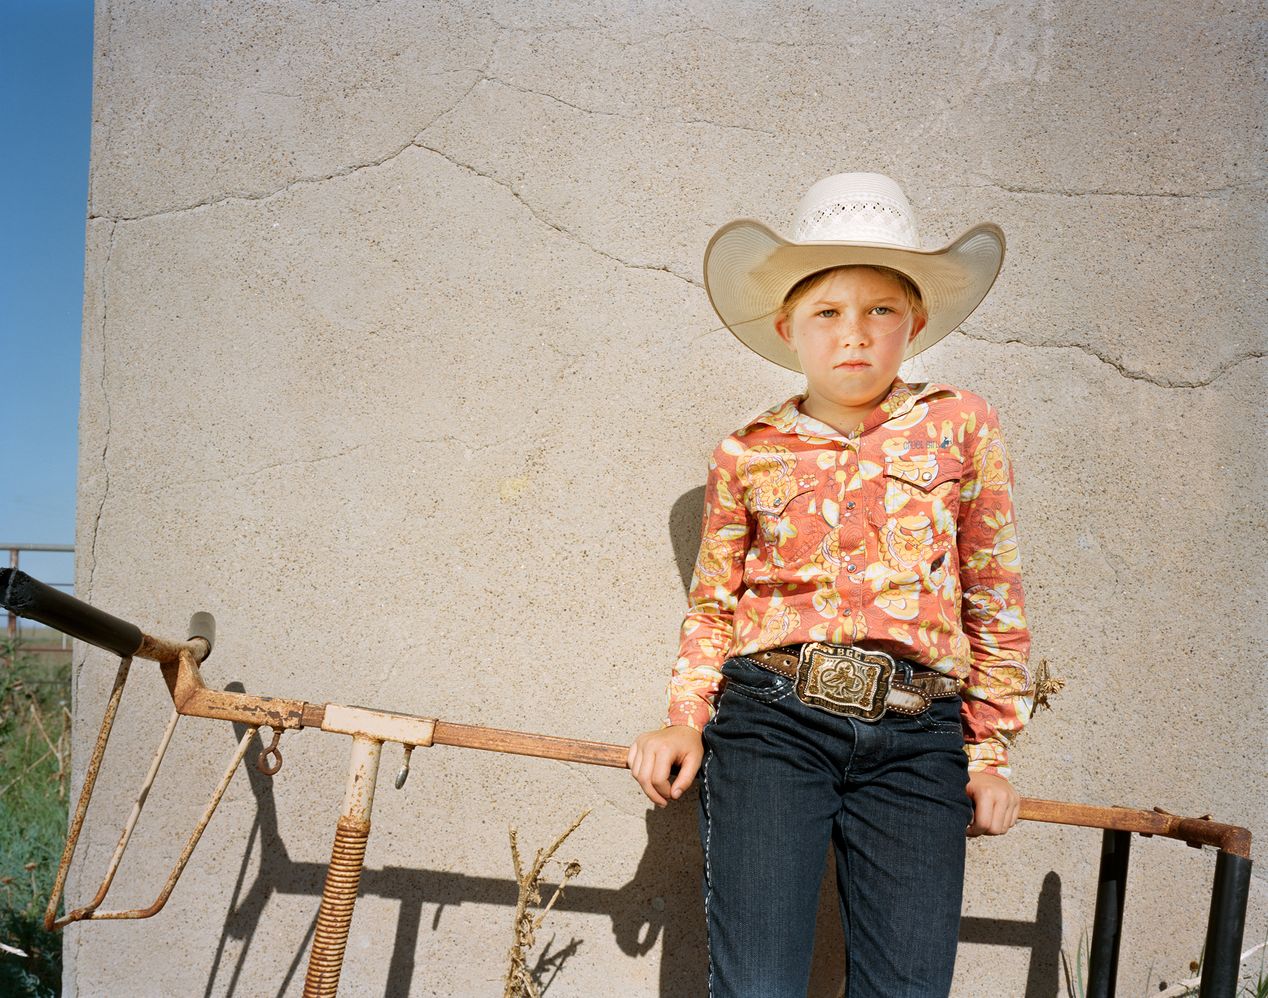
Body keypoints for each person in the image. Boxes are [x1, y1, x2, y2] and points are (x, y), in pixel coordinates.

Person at [628, 172, 1033, 997]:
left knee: (909, 988)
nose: (855, 335)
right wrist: (684, 721)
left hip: (919, 739)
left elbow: (993, 589)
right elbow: (714, 604)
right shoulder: (747, 452)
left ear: (915, 321)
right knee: (763, 984)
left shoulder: (962, 424)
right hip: (773, 724)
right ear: (789, 329)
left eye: (880, 310)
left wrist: (988, 752)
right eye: (828, 313)